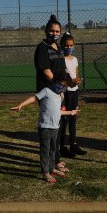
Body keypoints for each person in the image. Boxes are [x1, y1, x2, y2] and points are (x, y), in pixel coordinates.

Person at [11, 71, 79, 183]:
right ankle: (46, 172)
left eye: (65, 85)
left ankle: (52, 168)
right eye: (63, 84)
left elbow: (57, 112)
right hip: (45, 127)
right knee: (45, 150)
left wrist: (70, 112)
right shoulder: (46, 91)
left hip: (55, 127)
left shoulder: (60, 95)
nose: (63, 87)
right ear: (57, 81)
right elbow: (34, 98)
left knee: (53, 149)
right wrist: (21, 105)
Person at [34, 15, 72, 168]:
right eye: (52, 31)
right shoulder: (42, 47)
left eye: (57, 31)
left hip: (59, 92)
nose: (55, 34)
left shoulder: (60, 48)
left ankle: (55, 159)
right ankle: (49, 163)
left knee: (59, 125)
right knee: (49, 128)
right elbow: (46, 70)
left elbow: (62, 70)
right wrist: (57, 89)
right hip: (48, 92)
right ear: (46, 31)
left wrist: (64, 87)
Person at [59, 32, 87, 156]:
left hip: (74, 92)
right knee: (64, 119)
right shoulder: (61, 60)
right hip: (65, 93)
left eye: (71, 45)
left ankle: (73, 143)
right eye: (66, 46)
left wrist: (78, 81)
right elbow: (61, 78)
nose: (68, 48)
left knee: (73, 117)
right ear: (61, 46)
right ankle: (62, 146)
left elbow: (75, 74)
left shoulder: (74, 59)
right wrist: (70, 82)